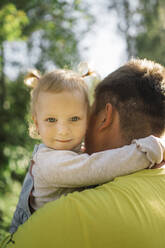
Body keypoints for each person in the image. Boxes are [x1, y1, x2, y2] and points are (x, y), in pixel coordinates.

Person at [10, 63, 165, 235]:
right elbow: (97, 166)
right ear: (37, 124)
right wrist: (149, 150)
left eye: (74, 118)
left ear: (87, 117)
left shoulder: (76, 155)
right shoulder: (48, 163)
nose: (63, 130)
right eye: (51, 120)